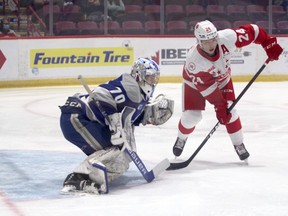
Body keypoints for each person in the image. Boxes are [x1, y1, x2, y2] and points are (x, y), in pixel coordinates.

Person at [59, 57, 174, 194]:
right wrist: (115, 123)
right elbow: (99, 94)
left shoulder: (136, 93)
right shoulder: (132, 89)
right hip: (77, 117)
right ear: (138, 75)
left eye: (154, 79)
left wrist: (146, 117)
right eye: (149, 77)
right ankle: (77, 179)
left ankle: (93, 174)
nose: (152, 82)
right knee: (118, 153)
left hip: (80, 117)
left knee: (121, 154)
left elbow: (127, 116)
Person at [172, 20, 283, 160]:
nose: (211, 44)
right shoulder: (194, 61)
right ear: (199, 41)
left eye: (213, 40)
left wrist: (268, 42)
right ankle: (181, 138)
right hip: (194, 83)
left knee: (230, 110)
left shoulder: (227, 38)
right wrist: (219, 106)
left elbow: (254, 31)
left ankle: (239, 144)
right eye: (206, 42)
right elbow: (207, 87)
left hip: (222, 77)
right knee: (192, 117)